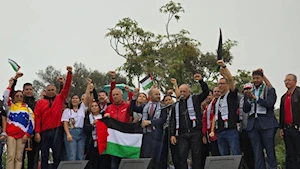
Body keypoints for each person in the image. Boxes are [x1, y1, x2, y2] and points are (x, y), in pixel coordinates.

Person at [34, 66, 72, 169]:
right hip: (44, 132)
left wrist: (69, 73)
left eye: (52, 89)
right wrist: (37, 132)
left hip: (57, 131)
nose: (51, 91)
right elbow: (37, 117)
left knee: (57, 155)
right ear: (45, 91)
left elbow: (67, 88)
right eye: (49, 90)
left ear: (55, 91)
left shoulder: (60, 99)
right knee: (44, 155)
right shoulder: (40, 102)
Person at [170, 73, 209, 169]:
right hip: (182, 134)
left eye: (185, 91)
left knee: (196, 156)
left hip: (195, 132)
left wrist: (201, 81)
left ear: (189, 92)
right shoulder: (176, 105)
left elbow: (205, 92)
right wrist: (172, 134)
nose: (182, 93)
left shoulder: (195, 99)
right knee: (182, 157)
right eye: (181, 91)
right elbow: (173, 120)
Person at [243, 69, 278, 169]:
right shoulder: (249, 91)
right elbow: (245, 109)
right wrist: (249, 100)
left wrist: (256, 99)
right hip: (253, 124)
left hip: (267, 124)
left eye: (257, 78)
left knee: (269, 150)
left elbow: (270, 104)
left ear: (262, 78)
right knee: (257, 152)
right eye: (253, 78)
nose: (255, 80)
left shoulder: (269, 90)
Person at [209, 60, 241, 156]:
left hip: (231, 130)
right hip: (220, 131)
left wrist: (224, 66)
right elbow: (215, 116)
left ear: (227, 85)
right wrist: (212, 130)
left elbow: (231, 80)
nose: (220, 85)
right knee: (224, 157)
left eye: (222, 83)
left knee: (236, 154)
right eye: (218, 84)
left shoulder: (231, 95)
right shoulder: (217, 100)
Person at [2, 77, 34, 169]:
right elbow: (5, 96)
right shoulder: (10, 107)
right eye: (17, 96)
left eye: (21, 96)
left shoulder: (28, 108)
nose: (19, 98)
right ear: (14, 97)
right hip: (11, 134)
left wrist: (27, 134)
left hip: (22, 135)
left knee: (19, 157)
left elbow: (31, 123)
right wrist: (10, 84)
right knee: (11, 155)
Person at [10, 72, 39, 169]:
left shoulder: (36, 103)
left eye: (30, 89)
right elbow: (11, 93)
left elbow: (37, 119)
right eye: (26, 89)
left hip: (32, 134)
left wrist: (36, 132)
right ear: (23, 91)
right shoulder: (20, 101)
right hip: (20, 133)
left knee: (33, 157)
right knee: (19, 156)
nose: (29, 91)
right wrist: (15, 79)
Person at [61, 78, 92, 160]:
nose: (75, 100)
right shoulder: (67, 111)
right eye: (73, 98)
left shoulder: (82, 109)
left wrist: (88, 85)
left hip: (81, 133)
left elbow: (87, 96)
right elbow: (65, 123)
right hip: (71, 132)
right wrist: (68, 134)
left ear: (79, 101)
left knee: (80, 156)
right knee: (72, 156)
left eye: (76, 98)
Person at [139, 88, 167, 169]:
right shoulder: (145, 105)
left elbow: (162, 120)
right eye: (156, 94)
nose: (158, 96)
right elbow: (134, 108)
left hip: (157, 136)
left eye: (159, 94)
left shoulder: (163, 107)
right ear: (150, 96)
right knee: (146, 157)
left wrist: (150, 122)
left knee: (157, 159)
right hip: (147, 135)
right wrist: (134, 97)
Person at [103, 88, 131, 169]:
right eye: (113, 95)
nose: (115, 96)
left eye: (117, 94)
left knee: (124, 161)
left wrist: (130, 93)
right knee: (114, 161)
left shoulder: (127, 106)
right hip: (113, 139)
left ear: (122, 96)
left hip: (124, 138)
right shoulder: (109, 108)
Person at [279, 74, 300, 169]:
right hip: (287, 128)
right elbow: (282, 113)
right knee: (290, 154)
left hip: (297, 128)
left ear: (295, 81)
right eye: (285, 80)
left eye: (289, 80)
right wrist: (281, 128)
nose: (287, 82)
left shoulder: (299, 93)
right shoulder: (284, 97)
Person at [202, 87, 220, 156]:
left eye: (209, 95)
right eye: (215, 91)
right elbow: (204, 122)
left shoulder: (218, 103)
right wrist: (204, 135)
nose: (207, 97)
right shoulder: (207, 108)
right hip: (211, 135)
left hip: (220, 132)